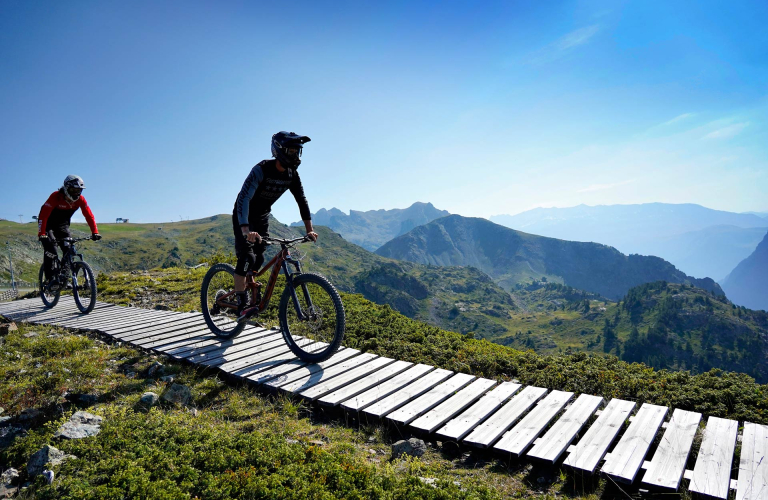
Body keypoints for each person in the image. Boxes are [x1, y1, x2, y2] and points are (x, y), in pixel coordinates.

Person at [232, 131, 318, 320]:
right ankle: (241, 305)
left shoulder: (292, 174)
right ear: (279, 151)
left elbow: (301, 200)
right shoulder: (261, 170)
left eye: (298, 152)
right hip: (244, 215)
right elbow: (244, 199)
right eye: (292, 151)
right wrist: (246, 229)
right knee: (247, 256)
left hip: (262, 216)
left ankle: (250, 284)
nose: (295, 156)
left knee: (260, 256)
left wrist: (309, 229)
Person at [37, 175, 101, 290]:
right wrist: (42, 233)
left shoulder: (81, 200)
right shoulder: (55, 197)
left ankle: (64, 280)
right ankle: (50, 279)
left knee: (69, 250)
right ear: (66, 188)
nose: (76, 193)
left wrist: (95, 232)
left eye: (79, 191)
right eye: (73, 190)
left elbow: (89, 215)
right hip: (48, 225)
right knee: (52, 249)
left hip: (62, 226)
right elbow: (43, 215)